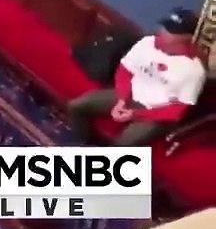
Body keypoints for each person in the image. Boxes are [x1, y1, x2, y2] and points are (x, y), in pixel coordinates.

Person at [68, 8, 206, 146]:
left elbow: (176, 111)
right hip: (132, 96)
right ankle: (87, 145)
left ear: (186, 37)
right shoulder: (148, 43)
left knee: (122, 143)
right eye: (165, 26)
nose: (163, 32)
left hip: (156, 112)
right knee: (77, 106)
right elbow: (125, 70)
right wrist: (122, 99)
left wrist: (135, 114)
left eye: (171, 31)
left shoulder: (194, 69)